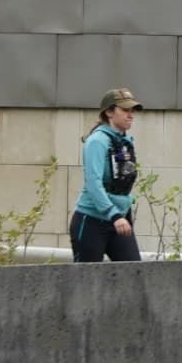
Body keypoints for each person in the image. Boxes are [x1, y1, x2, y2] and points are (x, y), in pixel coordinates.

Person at [71, 88, 144, 262]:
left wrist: (123, 211)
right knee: (86, 280)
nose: (130, 115)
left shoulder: (124, 141)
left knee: (134, 273)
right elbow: (93, 184)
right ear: (110, 112)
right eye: (125, 110)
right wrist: (114, 215)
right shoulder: (97, 142)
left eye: (131, 111)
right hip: (92, 221)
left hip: (120, 219)